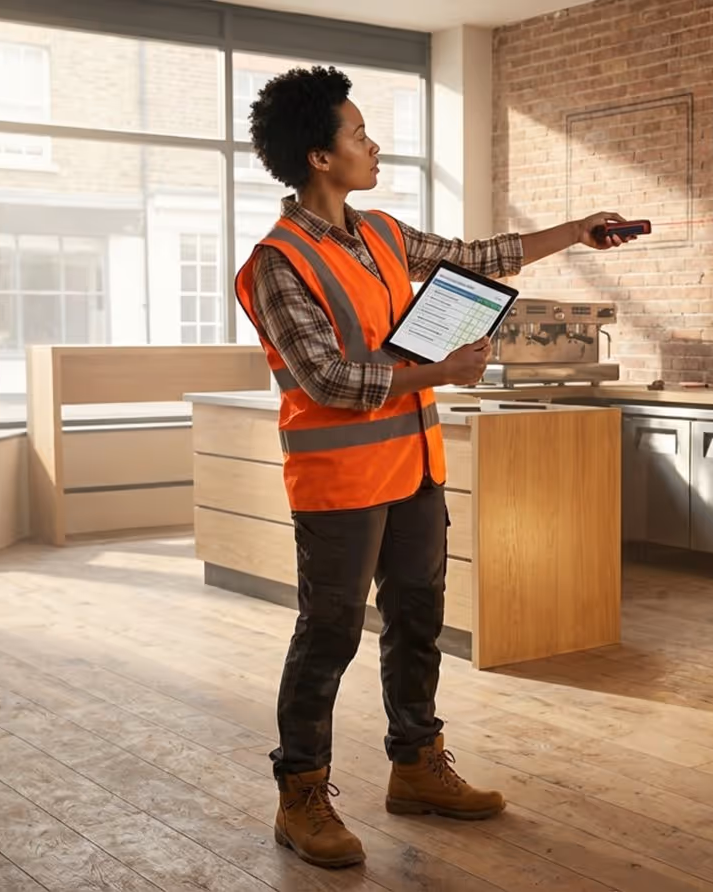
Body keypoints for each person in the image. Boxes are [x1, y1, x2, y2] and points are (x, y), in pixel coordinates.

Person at [235, 65, 635, 870]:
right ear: (319, 157)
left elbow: (481, 252)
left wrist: (576, 232)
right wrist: (441, 374)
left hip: (415, 470)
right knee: (331, 632)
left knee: (417, 622)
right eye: (357, 133)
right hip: (341, 485)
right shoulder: (277, 262)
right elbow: (331, 381)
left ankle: (416, 765)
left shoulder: (380, 232)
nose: (372, 143)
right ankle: (300, 794)